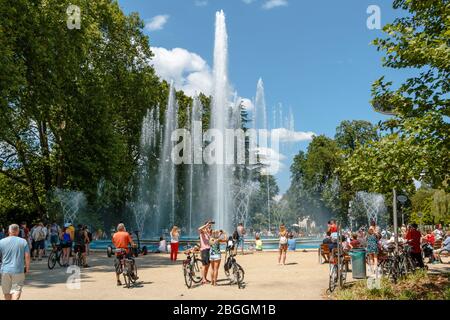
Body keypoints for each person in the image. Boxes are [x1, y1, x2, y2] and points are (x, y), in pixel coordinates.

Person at [0, 224, 30, 300]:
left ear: (9, 231)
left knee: (6, 292)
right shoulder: (23, 241)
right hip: (18, 270)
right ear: (18, 231)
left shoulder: (1, 242)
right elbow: (27, 256)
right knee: (16, 290)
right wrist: (27, 268)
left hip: (5, 271)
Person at [198, 220, 213, 284]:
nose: (210, 225)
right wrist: (206, 225)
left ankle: (205, 278)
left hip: (209, 249)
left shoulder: (208, 232)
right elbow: (199, 228)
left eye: (210, 225)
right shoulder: (202, 231)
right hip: (204, 249)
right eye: (208, 224)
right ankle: (203, 279)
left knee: (208, 264)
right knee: (204, 265)